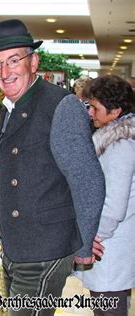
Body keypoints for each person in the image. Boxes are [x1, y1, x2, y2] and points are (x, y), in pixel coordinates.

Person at [0, 19, 105, 315]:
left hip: (43, 251)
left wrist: (83, 246)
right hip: (16, 247)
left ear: (33, 62)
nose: (4, 72)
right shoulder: (12, 104)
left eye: (13, 60)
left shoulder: (61, 105)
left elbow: (88, 181)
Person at [76, 75, 135, 316]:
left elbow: (114, 203)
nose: (90, 112)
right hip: (110, 243)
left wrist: (94, 236)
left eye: (95, 107)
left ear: (115, 111)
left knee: (109, 306)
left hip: (109, 244)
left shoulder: (120, 144)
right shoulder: (113, 139)